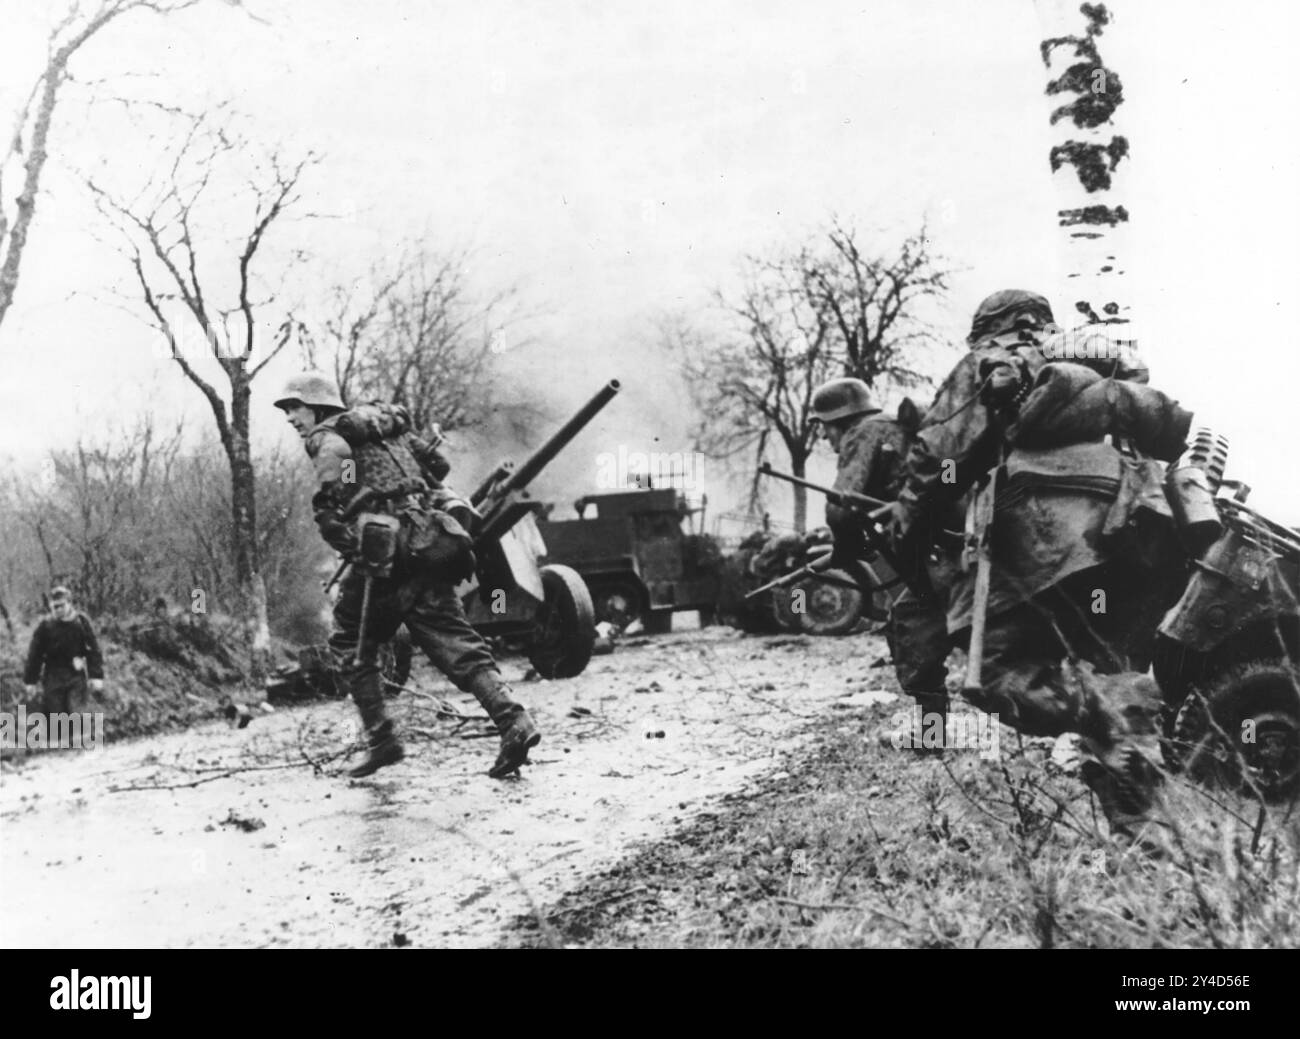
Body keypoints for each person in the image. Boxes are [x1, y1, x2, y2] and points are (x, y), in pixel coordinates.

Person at [881, 289, 1193, 837]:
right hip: (1134, 532)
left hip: (1049, 541)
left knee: (995, 675)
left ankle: (1110, 716)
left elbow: (942, 458)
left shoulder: (992, 362)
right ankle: (1143, 837)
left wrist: (909, 522)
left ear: (987, 328)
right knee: (1104, 665)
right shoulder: (1089, 363)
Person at [274, 371, 541, 780]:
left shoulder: (329, 439)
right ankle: (515, 722)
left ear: (319, 407)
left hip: (386, 559)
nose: (291, 417)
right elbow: (438, 464)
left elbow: (334, 492)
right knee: (458, 644)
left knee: (351, 644)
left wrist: (348, 520)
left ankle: (383, 741)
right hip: (430, 544)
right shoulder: (385, 428)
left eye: (295, 408)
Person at [811, 378, 959, 749]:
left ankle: (932, 737)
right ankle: (931, 735)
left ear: (836, 422)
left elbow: (840, 507)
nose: (829, 442)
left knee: (911, 628)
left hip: (937, 552)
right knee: (911, 622)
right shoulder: (897, 428)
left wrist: (845, 548)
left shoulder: (862, 434)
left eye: (826, 431)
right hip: (949, 545)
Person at [24, 587, 105, 729]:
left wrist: (96, 676)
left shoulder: (80, 621)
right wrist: (30, 680)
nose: (58, 609)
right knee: (57, 716)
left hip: (75, 674)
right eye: (55, 606)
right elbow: (35, 654)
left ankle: (81, 745)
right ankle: (63, 747)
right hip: (53, 676)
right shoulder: (45, 626)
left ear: (69, 603)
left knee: (77, 711)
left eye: (62, 605)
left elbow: (93, 649)